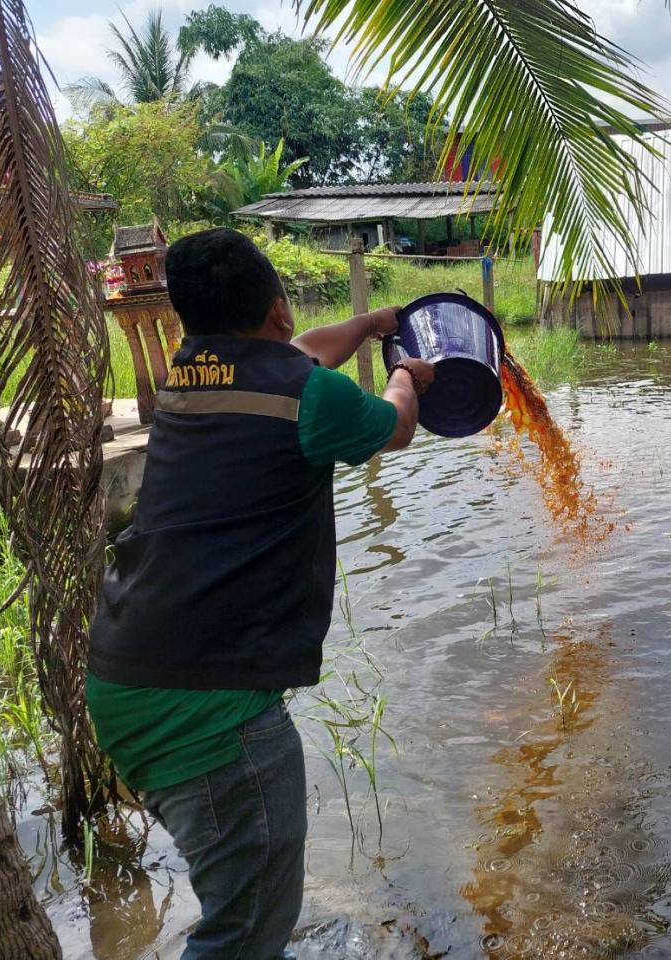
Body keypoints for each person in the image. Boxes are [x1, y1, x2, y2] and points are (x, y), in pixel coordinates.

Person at [86, 227, 435, 959]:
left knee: (239, 913)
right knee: (244, 934)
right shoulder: (312, 400)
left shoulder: (189, 376)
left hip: (126, 677)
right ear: (276, 307)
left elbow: (305, 347)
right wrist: (405, 370)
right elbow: (397, 425)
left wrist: (370, 326)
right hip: (209, 713)